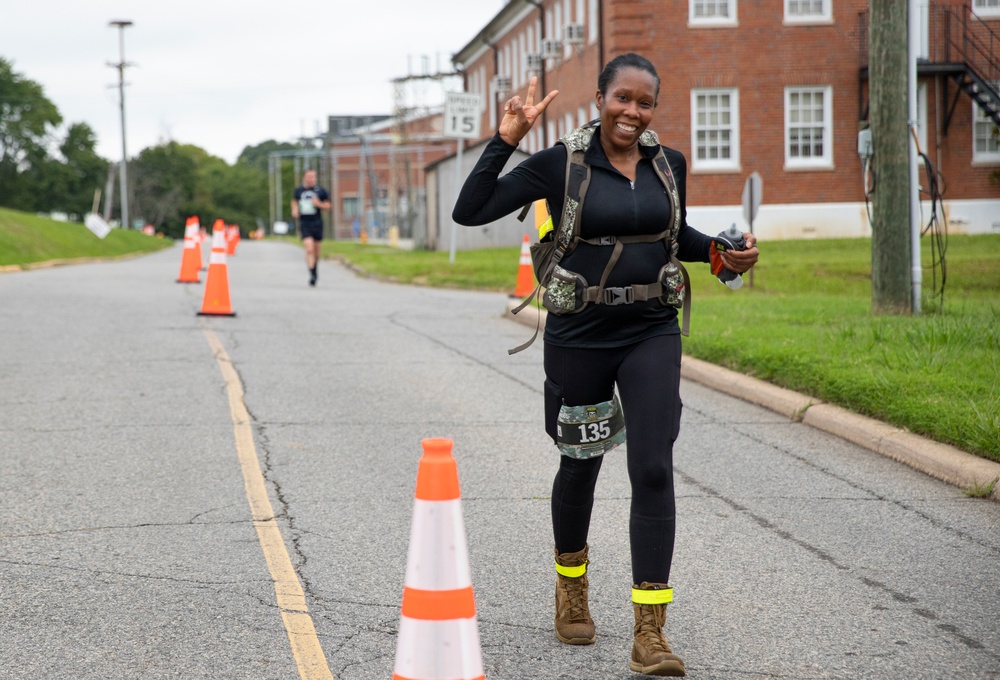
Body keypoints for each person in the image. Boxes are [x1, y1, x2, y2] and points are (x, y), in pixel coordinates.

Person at [453, 53, 758, 677]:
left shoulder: (666, 165)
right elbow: (471, 209)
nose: (633, 112)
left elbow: (673, 238)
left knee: (652, 468)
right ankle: (572, 584)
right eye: (623, 98)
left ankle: (650, 632)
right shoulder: (559, 163)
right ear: (600, 98)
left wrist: (725, 254)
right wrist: (506, 139)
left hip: (651, 329)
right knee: (580, 463)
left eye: (645, 103)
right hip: (580, 334)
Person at [290, 169, 331, 286]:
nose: (312, 179)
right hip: (305, 223)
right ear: (304, 178)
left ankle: (314, 269)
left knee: (316, 252)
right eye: (309, 177)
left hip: (317, 223)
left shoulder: (321, 191)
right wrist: (294, 209)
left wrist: (319, 204)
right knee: (309, 249)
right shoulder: (299, 191)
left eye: (313, 177)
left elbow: (328, 206)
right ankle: (312, 274)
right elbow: (294, 201)